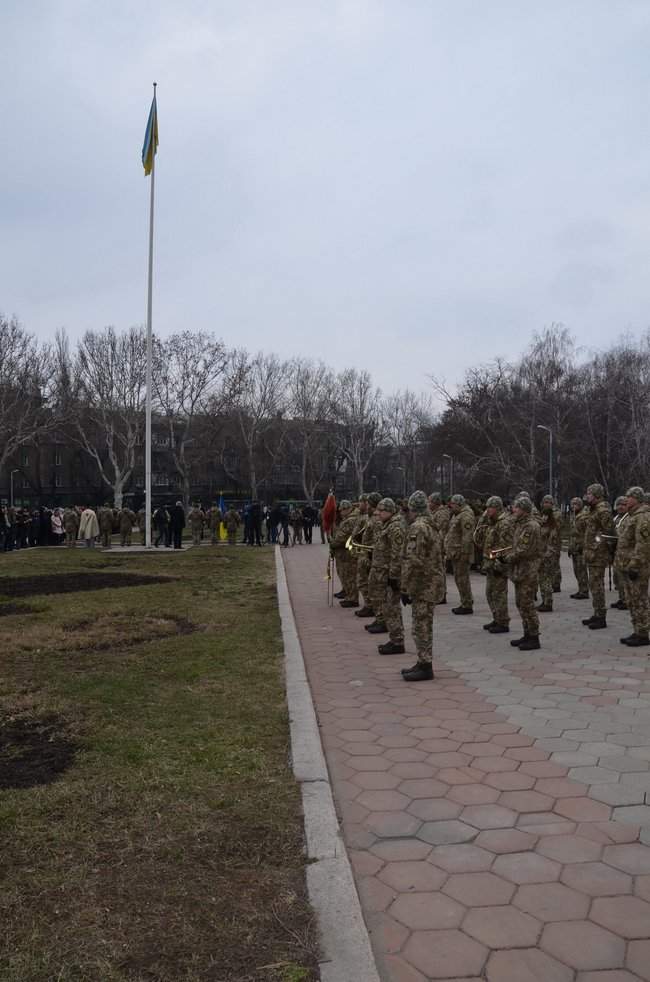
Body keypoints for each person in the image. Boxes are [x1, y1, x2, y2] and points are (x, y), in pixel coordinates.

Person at [399, 490, 445, 682]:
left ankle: (425, 665)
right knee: (424, 623)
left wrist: (404, 587)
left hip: (423, 583)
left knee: (421, 625)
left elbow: (413, 560)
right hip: (431, 581)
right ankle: (422, 661)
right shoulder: (431, 524)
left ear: (412, 508)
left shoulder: (418, 527)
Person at [616, 487, 650, 647]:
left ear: (636, 499)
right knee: (631, 600)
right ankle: (637, 630)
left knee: (639, 599)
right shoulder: (632, 516)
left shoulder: (642, 517)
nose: (626, 500)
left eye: (629, 497)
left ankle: (643, 633)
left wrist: (635, 565)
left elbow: (643, 544)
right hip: (627, 565)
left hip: (637, 567)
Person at [508, 496, 543, 650]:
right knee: (520, 602)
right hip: (520, 569)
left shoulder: (530, 526)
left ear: (523, 509)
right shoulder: (521, 524)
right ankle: (526, 633)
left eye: (516, 507)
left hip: (528, 569)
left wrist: (507, 558)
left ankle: (534, 637)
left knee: (527, 603)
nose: (513, 510)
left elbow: (523, 549)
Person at [582, 483, 615, 630]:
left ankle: (601, 617)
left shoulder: (603, 510)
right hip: (592, 553)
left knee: (597, 585)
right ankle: (597, 613)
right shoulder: (593, 509)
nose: (587, 496)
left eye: (589, 494)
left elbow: (610, 533)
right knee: (593, 584)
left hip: (598, 554)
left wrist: (601, 547)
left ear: (596, 495)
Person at [481, 496, 514, 633]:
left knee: (499, 594)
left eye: (491, 507)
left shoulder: (503, 523)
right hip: (490, 563)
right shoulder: (492, 522)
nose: (488, 510)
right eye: (487, 507)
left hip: (498, 565)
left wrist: (498, 565)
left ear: (498, 508)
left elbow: (505, 547)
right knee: (490, 593)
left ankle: (503, 622)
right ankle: (496, 618)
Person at [444, 493, 476, 614]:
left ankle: (467, 604)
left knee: (462, 579)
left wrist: (464, 553)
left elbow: (467, 536)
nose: (450, 506)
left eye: (452, 504)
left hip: (462, 553)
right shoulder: (457, 514)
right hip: (455, 552)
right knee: (459, 578)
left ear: (458, 504)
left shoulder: (466, 516)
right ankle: (466, 600)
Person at [329, 500, 360, 607]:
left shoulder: (350, 520)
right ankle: (348, 594)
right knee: (345, 575)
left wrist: (333, 543)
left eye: (341, 510)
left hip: (348, 553)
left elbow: (342, 537)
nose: (340, 513)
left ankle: (353, 598)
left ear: (347, 509)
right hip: (343, 553)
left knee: (349, 576)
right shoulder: (347, 519)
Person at [355, 493, 381, 619]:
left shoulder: (376, 519)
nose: (366, 505)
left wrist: (370, 555)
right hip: (365, 553)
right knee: (363, 582)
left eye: (368, 503)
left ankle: (371, 607)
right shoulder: (370, 517)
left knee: (370, 585)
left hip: (371, 556)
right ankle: (369, 605)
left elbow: (377, 540)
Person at [537, 495, 560, 612]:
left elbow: (552, 543)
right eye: (543, 516)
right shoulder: (542, 526)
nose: (544, 518)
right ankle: (544, 600)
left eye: (546, 516)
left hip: (547, 556)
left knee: (546, 580)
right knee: (542, 580)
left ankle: (548, 602)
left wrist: (547, 555)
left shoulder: (552, 527)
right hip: (540, 555)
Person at [428, 493, 450, 604]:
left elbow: (440, 529)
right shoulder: (434, 513)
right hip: (434, 545)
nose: (428, 504)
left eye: (430, 501)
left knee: (439, 571)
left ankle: (441, 595)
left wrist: (438, 546)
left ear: (435, 503)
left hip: (439, 545)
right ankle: (437, 593)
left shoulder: (442, 513)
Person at [568, 496, 590, 599]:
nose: (574, 506)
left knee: (582, 570)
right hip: (574, 547)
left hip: (581, 548)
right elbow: (572, 533)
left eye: (576, 504)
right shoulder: (573, 516)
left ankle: (584, 591)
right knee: (576, 570)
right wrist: (570, 547)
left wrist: (583, 545)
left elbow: (587, 533)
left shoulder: (584, 516)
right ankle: (580, 589)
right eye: (572, 504)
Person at [611, 496, 628, 610]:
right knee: (617, 577)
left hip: (625, 553)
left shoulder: (629, 518)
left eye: (623, 504)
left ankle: (627, 600)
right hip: (616, 551)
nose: (620, 507)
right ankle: (622, 598)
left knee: (624, 578)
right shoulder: (616, 518)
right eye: (619, 504)